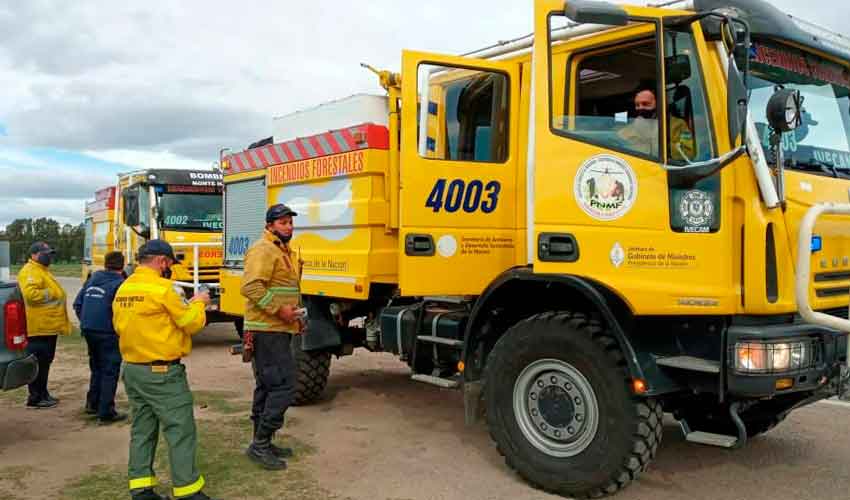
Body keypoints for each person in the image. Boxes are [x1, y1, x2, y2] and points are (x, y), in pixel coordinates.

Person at [112, 240, 219, 500]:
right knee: (180, 429)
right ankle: (188, 490)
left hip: (133, 369)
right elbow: (190, 323)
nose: (170, 268)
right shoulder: (163, 288)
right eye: (170, 263)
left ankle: (141, 488)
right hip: (161, 373)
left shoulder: (124, 288)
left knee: (142, 429)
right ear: (161, 261)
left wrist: (187, 304)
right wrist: (200, 302)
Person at [240, 203, 304, 471]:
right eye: (282, 222)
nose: (288, 226)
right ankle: (261, 444)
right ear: (269, 225)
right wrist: (280, 310)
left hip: (278, 328)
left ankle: (262, 441)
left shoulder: (281, 249)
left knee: (268, 385)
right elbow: (251, 286)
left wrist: (294, 316)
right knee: (284, 387)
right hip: (268, 329)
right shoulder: (263, 249)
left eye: (290, 222)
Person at [73, 250, 127, 424]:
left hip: (89, 330)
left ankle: (92, 404)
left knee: (96, 368)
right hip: (108, 333)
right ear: (123, 265)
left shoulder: (92, 279)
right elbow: (123, 311)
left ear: (105, 264)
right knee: (110, 370)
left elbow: (77, 304)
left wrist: (87, 322)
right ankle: (106, 412)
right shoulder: (120, 284)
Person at [17, 241, 71, 409]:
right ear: (34, 255)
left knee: (45, 362)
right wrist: (54, 293)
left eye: (50, 253)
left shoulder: (42, 271)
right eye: (45, 253)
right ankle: (36, 397)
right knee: (39, 363)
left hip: (48, 326)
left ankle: (42, 393)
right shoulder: (30, 271)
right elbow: (30, 295)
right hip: (38, 327)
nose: (49, 256)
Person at [618, 87, 695, 160]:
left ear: (658, 104)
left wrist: (657, 137)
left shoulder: (678, 124)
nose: (640, 108)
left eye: (645, 104)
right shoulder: (626, 130)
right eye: (637, 105)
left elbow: (689, 153)